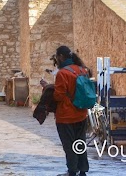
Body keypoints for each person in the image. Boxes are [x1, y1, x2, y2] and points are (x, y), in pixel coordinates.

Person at [39, 46, 90, 176]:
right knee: (80, 143)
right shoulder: (82, 70)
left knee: (69, 145)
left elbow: (59, 96)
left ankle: (72, 171)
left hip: (66, 115)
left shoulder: (63, 73)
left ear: (61, 57)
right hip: (81, 114)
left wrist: (47, 87)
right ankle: (83, 171)